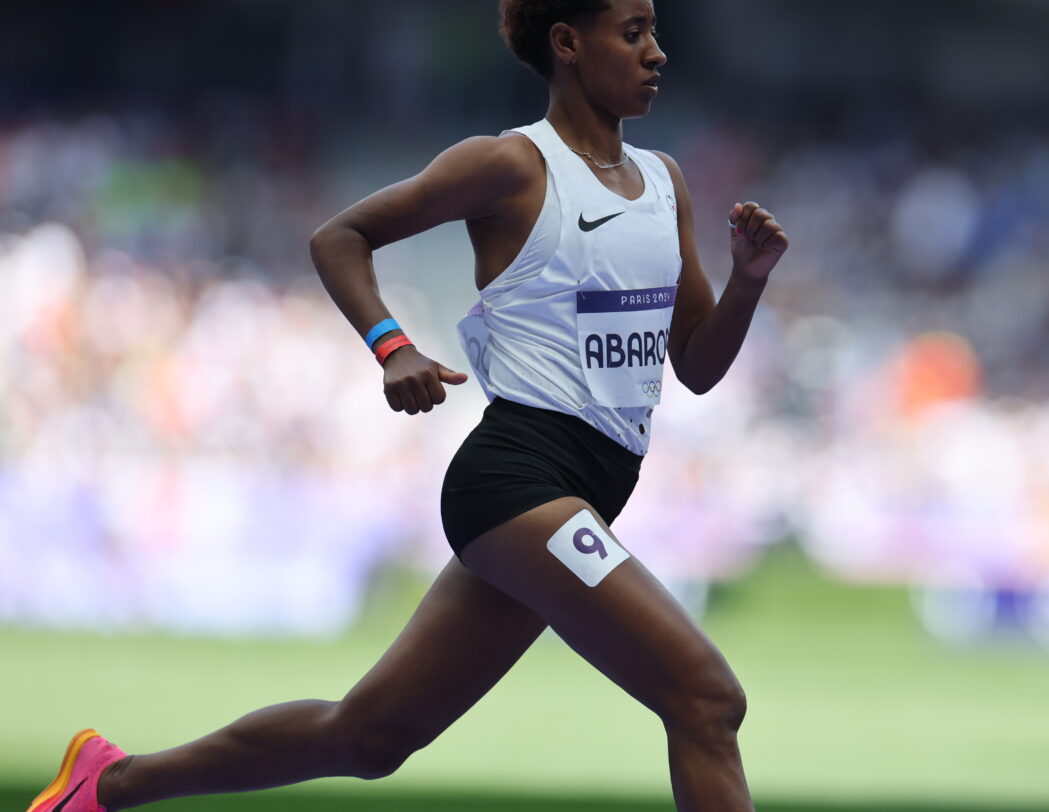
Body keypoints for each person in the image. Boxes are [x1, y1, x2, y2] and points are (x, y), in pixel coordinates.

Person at [26, 1, 787, 810]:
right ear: (568, 43)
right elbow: (339, 237)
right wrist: (393, 347)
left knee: (370, 736)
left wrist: (747, 281)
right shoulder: (511, 166)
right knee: (707, 700)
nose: (657, 53)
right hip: (520, 483)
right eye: (633, 33)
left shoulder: (664, 184)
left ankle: (105, 783)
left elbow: (698, 367)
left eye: (655, 32)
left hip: (585, 493)